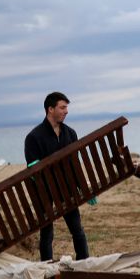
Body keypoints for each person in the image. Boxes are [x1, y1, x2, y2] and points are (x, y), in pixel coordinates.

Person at [24, 92, 90, 261]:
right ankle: (46, 268)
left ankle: (84, 263)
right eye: (62, 107)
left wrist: (83, 188)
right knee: (47, 234)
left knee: (77, 229)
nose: (66, 111)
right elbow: (32, 170)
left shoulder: (70, 133)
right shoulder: (34, 137)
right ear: (50, 109)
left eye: (66, 107)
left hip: (66, 189)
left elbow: (75, 164)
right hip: (44, 191)